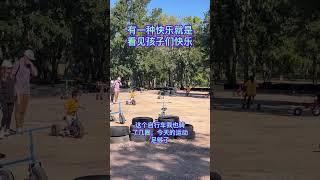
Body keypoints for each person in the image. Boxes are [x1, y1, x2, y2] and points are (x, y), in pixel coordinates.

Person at [11, 49, 38, 134]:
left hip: (27, 91)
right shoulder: (18, 63)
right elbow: (12, 75)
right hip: (18, 91)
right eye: (29, 59)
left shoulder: (30, 65)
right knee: (18, 109)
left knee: (23, 110)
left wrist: (31, 65)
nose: (30, 60)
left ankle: (21, 127)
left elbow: (35, 74)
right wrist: (15, 88)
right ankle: (18, 127)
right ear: (25, 57)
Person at [0, 60, 15, 138]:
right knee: (5, 114)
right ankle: (2, 129)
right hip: (3, 99)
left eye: (10, 68)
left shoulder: (12, 77)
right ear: (4, 68)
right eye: (8, 68)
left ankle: (7, 129)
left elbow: (13, 88)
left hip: (11, 99)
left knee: (9, 115)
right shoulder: (1, 78)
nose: (10, 69)